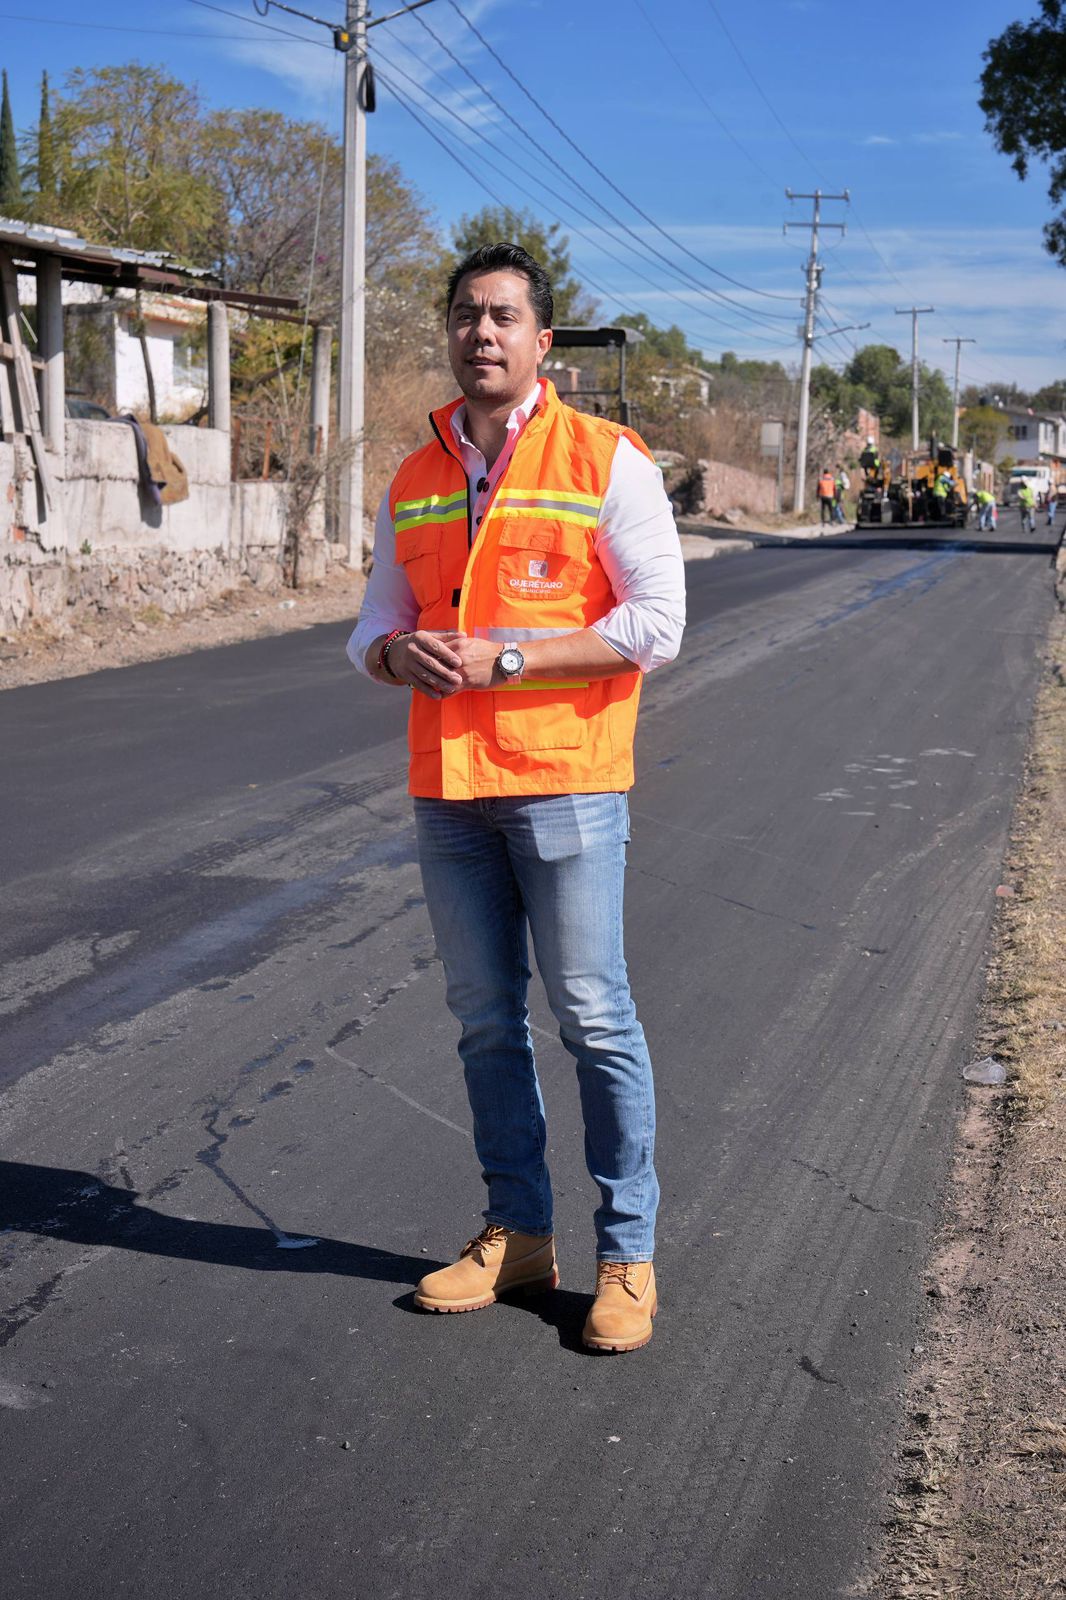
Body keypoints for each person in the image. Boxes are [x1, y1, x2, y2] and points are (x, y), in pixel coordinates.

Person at [346, 242, 685, 1354]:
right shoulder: (415, 473)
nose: (479, 333)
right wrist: (401, 658)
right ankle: (520, 1232)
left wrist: (505, 660)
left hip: (566, 786)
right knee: (486, 1022)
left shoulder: (606, 459)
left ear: (545, 340)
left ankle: (626, 1255)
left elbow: (655, 626)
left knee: (592, 1017)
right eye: (463, 316)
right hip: (448, 791)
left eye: (501, 317)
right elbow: (371, 626)